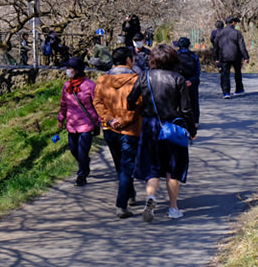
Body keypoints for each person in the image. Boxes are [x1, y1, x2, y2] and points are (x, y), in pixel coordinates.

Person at [127, 44, 196, 222]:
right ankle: (173, 208)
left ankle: (150, 198)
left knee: (152, 167)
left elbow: (130, 101)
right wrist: (192, 130)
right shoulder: (178, 79)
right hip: (173, 127)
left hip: (150, 126)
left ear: (153, 59)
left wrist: (140, 108)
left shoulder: (144, 76)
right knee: (172, 169)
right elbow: (186, 109)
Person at [92, 46, 141, 218]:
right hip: (130, 130)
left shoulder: (102, 80)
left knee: (120, 165)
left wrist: (110, 119)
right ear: (129, 60)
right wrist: (124, 120)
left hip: (110, 129)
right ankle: (121, 205)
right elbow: (138, 106)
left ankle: (130, 194)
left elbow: (97, 102)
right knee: (127, 167)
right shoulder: (137, 79)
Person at [57, 57, 100, 186]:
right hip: (71, 125)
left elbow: (98, 104)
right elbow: (63, 104)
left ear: (77, 70)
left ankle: (81, 175)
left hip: (86, 124)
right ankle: (85, 163)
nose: (67, 71)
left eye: (70, 68)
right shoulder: (67, 86)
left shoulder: (90, 85)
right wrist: (61, 119)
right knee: (73, 149)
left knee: (82, 151)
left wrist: (99, 121)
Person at [215, 16, 250, 97]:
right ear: (232, 23)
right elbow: (242, 46)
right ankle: (239, 89)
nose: (236, 24)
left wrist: (216, 58)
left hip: (224, 56)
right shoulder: (237, 33)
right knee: (237, 73)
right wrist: (246, 57)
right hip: (236, 56)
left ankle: (226, 92)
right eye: (235, 22)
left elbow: (216, 47)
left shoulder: (219, 33)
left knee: (225, 74)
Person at [175, 37, 201, 130]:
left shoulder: (175, 56)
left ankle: (179, 121)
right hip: (192, 82)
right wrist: (192, 81)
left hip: (178, 82)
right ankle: (195, 121)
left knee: (178, 102)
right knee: (194, 101)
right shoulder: (194, 56)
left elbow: (172, 71)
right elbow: (197, 71)